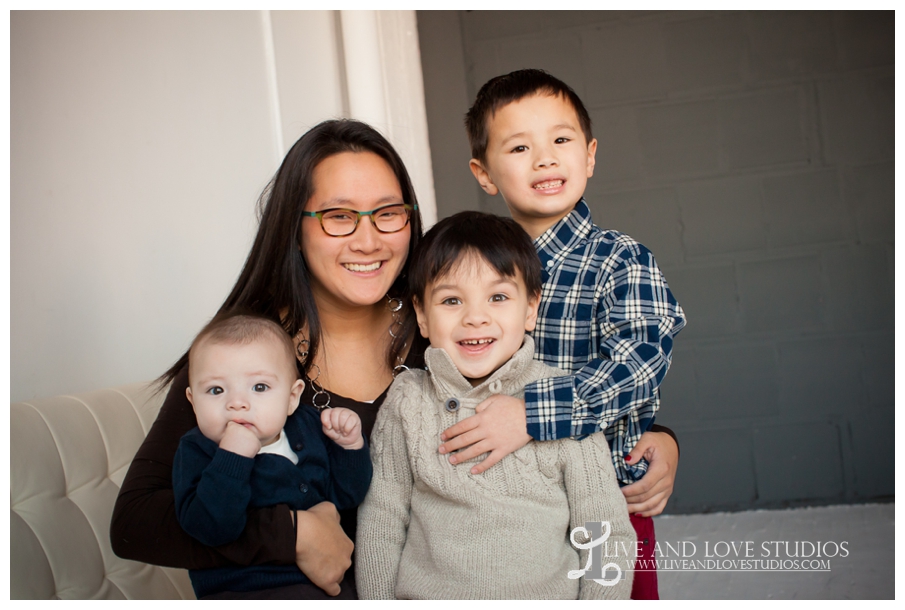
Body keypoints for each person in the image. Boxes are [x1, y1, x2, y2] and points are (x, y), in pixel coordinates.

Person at [110, 119, 426, 599]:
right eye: (338, 216)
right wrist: (292, 534)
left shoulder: (451, 327)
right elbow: (135, 522)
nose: (368, 241)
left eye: (387, 213)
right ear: (294, 229)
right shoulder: (245, 357)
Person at [441, 69, 686, 599]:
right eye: (520, 147)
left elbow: (641, 359)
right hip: (503, 506)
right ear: (484, 174)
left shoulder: (619, 259)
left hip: (604, 502)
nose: (545, 158)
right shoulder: (468, 272)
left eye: (561, 139)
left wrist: (532, 412)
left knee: (615, 594)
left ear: (590, 155)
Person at [356, 212, 635, 600]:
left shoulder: (562, 399)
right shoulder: (408, 400)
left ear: (530, 308)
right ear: (421, 314)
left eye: (498, 297)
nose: (475, 317)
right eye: (451, 300)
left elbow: (604, 527)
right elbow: (382, 519)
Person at [173, 312, 371, 598]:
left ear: (292, 397)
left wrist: (351, 447)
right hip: (246, 589)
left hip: (327, 583)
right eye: (216, 390)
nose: (237, 403)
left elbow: (347, 496)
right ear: (193, 401)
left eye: (259, 387)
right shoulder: (198, 449)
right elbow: (210, 529)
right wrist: (232, 457)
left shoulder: (307, 428)